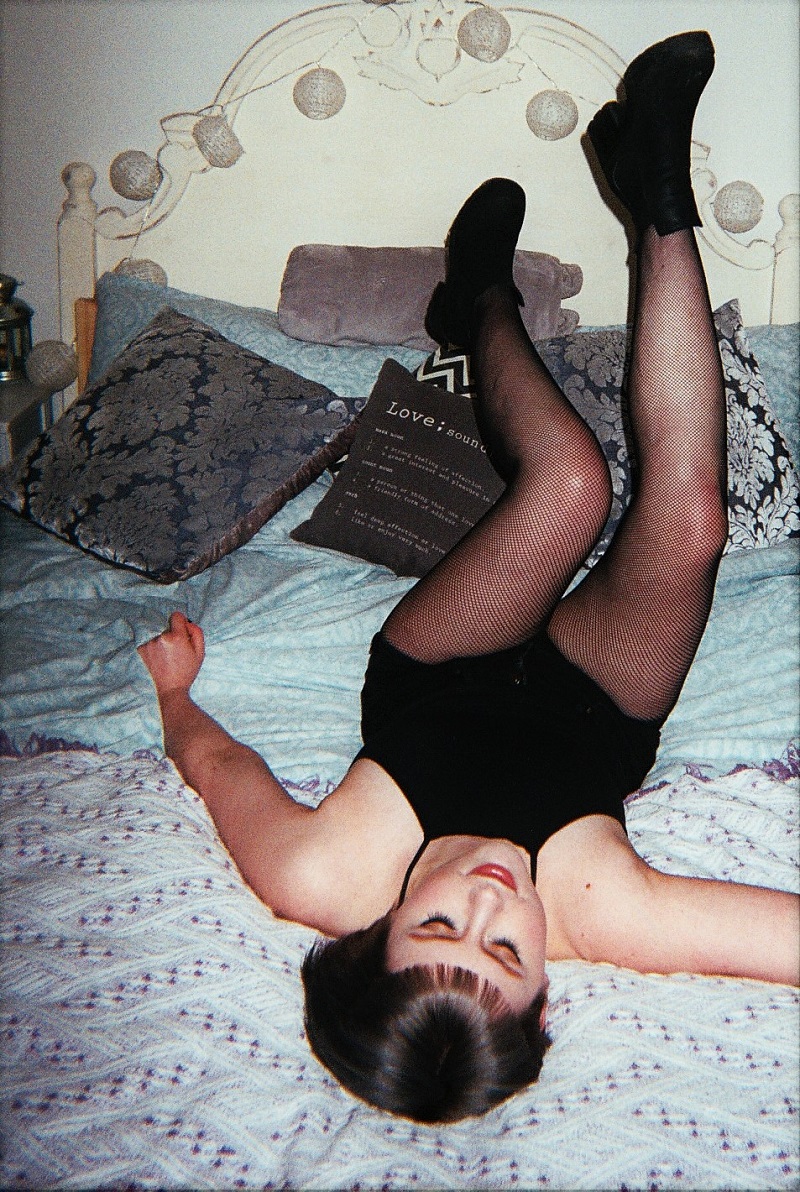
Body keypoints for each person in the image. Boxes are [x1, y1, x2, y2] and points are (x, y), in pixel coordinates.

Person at [138, 32, 800, 1123]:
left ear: (374, 937)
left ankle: (479, 298)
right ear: (546, 989)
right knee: (689, 525)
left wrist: (173, 694)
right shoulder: (606, 914)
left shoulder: (319, 875)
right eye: (506, 951)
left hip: (448, 663)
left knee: (571, 484)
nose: (488, 902)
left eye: (438, 926)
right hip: (597, 695)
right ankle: (654, 184)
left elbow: (219, 772)